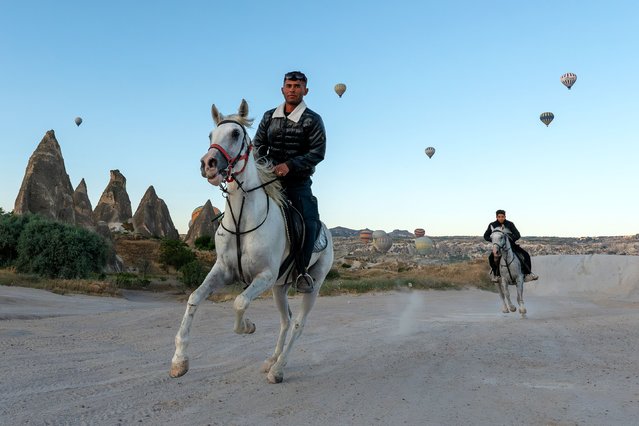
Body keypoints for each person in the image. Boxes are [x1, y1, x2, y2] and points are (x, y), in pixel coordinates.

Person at [253, 71, 327, 293]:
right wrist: (264, 165)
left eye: (297, 86)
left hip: (297, 182)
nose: (293, 89)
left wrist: (290, 165)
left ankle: (302, 271)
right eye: (289, 85)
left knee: (310, 220)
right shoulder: (268, 117)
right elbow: (257, 145)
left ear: (306, 90)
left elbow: (318, 152)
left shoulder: (313, 120)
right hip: (268, 180)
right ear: (282, 89)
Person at [483, 209, 539, 283]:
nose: (501, 218)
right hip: (499, 247)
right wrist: (495, 241)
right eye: (499, 217)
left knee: (526, 255)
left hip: (511, 245)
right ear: (496, 217)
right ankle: (496, 275)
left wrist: (510, 240)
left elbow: (518, 235)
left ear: (505, 216)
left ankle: (528, 274)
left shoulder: (510, 224)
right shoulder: (492, 225)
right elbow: (485, 236)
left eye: (502, 216)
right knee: (491, 257)